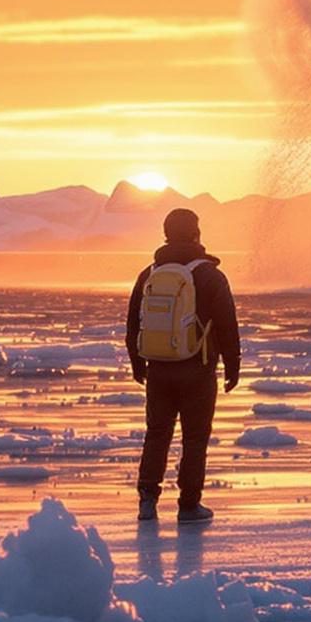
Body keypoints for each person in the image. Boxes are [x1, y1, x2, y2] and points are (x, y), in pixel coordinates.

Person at [124, 208, 240, 523]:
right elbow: (227, 325)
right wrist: (233, 366)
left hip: (159, 367)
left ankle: (147, 501)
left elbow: (134, 323)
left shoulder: (149, 273)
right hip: (198, 367)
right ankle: (189, 505)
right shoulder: (210, 275)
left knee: (157, 433)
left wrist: (138, 363)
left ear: (166, 234)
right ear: (195, 233)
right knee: (194, 437)